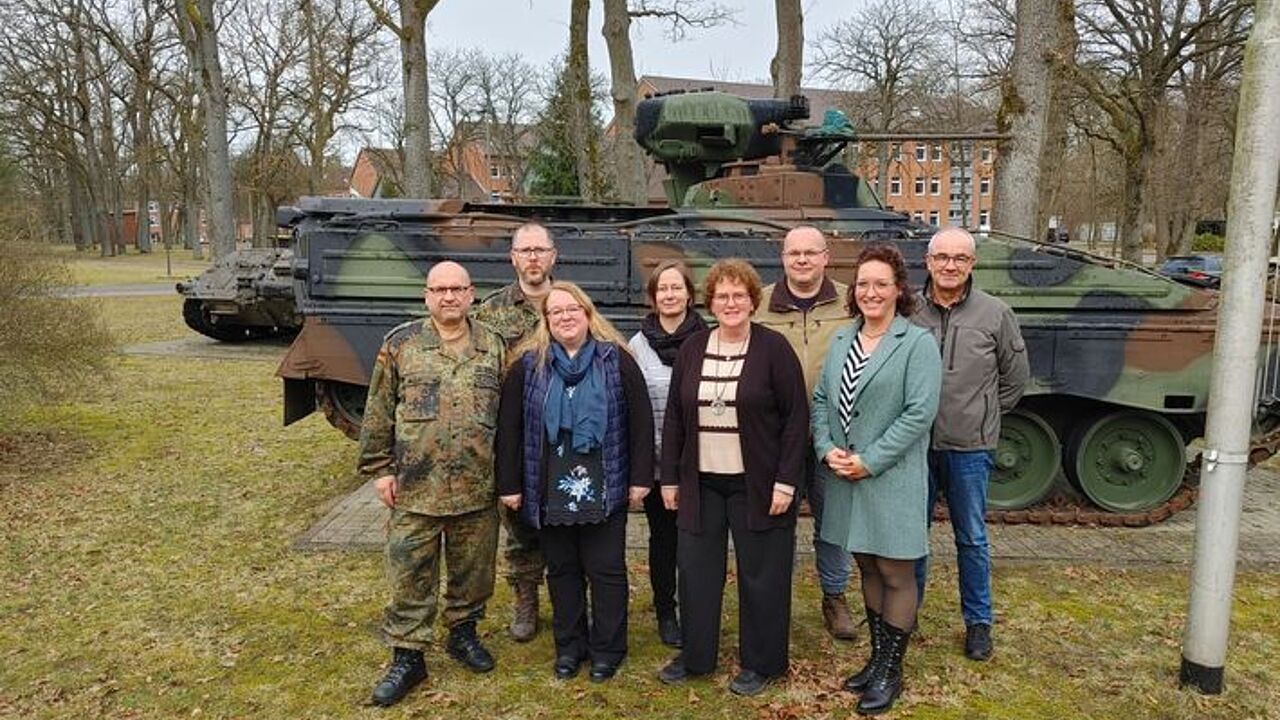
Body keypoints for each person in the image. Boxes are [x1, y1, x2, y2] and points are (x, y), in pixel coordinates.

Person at [657, 259, 809, 697]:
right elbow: (674, 420)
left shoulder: (774, 349)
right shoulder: (693, 348)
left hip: (757, 484)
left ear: (752, 301)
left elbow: (796, 419)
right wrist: (671, 479)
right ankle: (696, 655)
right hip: (701, 484)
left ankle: (762, 662)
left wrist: (786, 481)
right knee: (696, 572)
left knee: (762, 574)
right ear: (710, 301)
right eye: (722, 296)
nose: (730, 303)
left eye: (738, 296)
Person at [357, 261, 506, 707]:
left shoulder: (493, 348)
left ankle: (463, 634)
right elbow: (378, 410)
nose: (448, 297)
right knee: (410, 575)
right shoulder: (402, 344)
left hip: (477, 488)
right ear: (427, 296)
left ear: (471, 294)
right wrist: (380, 469)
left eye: (457, 289)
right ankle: (408, 656)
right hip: (416, 489)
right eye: (439, 289)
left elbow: (510, 420)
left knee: (473, 573)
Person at [495, 281, 654, 683]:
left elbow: (641, 421)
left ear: (587, 314)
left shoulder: (616, 360)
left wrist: (639, 479)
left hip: (605, 486)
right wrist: (509, 485)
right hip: (549, 489)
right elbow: (509, 430)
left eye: (572, 310)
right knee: (562, 571)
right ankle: (569, 647)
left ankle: (607, 649)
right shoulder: (529, 366)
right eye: (556, 312)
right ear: (546, 321)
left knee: (606, 571)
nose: (565, 317)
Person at [811, 243, 941, 715]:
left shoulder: (917, 343)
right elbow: (823, 400)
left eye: (880, 284)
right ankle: (875, 659)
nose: (870, 291)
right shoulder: (845, 338)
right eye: (863, 284)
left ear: (898, 289)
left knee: (896, 570)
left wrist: (870, 460)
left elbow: (919, 414)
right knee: (866, 566)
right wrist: (826, 450)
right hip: (845, 475)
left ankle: (892, 669)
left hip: (890, 476)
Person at [912, 227, 1029, 661]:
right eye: (942, 257)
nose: (950, 266)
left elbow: (1014, 379)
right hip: (915, 446)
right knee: (911, 536)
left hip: (969, 447)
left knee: (972, 538)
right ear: (928, 261)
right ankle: (907, 613)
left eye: (960, 258)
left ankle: (978, 622)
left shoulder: (995, 313)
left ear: (972, 264)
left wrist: (981, 414)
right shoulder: (908, 309)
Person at [755, 225, 857, 641]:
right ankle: (771, 598)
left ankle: (834, 596)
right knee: (775, 519)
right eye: (793, 253)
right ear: (782, 258)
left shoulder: (851, 300)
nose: (802, 260)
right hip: (774, 434)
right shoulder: (758, 303)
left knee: (833, 521)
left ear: (825, 256)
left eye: (810, 253)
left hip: (833, 432)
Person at [475, 222, 557, 643]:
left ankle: (568, 597)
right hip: (515, 434)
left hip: (563, 434)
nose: (532, 258)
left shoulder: (570, 304)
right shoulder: (491, 312)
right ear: (513, 258)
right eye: (525, 250)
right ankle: (526, 599)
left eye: (540, 250)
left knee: (566, 520)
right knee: (520, 521)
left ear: (553, 257)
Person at [628, 260, 708, 648]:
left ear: (689, 295)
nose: (670, 295)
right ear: (653, 297)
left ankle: (698, 607)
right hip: (659, 463)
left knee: (698, 541)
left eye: (677, 288)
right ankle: (666, 611)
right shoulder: (638, 345)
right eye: (663, 289)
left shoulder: (708, 340)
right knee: (663, 542)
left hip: (702, 461)